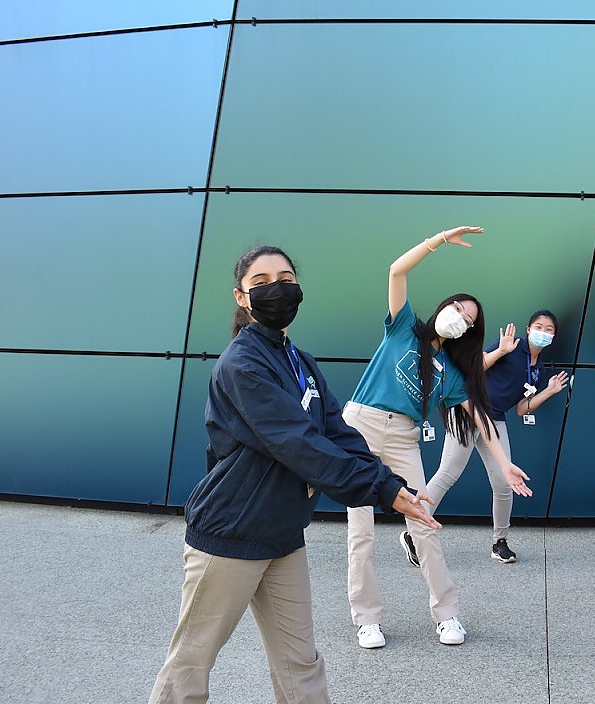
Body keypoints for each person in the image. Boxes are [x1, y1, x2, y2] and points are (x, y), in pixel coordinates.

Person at [149, 246, 439, 704]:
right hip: (230, 533)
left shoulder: (299, 361)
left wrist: (389, 481)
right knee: (191, 663)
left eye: (285, 277)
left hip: (283, 533)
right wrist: (381, 489)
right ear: (241, 297)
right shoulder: (242, 364)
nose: (276, 289)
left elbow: (336, 431)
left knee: (300, 663)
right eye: (261, 282)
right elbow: (298, 443)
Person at [343, 226, 532, 649]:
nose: (460, 318)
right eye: (457, 309)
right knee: (362, 529)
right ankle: (367, 618)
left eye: (468, 320)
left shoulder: (449, 371)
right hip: (361, 425)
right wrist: (439, 240)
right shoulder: (404, 328)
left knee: (424, 522)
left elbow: (480, 418)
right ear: (442, 306)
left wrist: (503, 462)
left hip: (403, 438)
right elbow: (396, 271)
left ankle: (447, 615)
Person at [426, 310, 569, 563]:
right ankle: (415, 533)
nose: (543, 332)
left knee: (505, 482)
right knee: (448, 473)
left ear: (554, 335)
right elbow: (474, 368)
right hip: (468, 410)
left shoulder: (539, 370)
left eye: (549, 329)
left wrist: (548, 392)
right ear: (528, 328)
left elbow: (523, 408)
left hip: (496, 419)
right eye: (539, 326)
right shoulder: (511, 347)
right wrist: (501, 351)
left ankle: (499, 542)